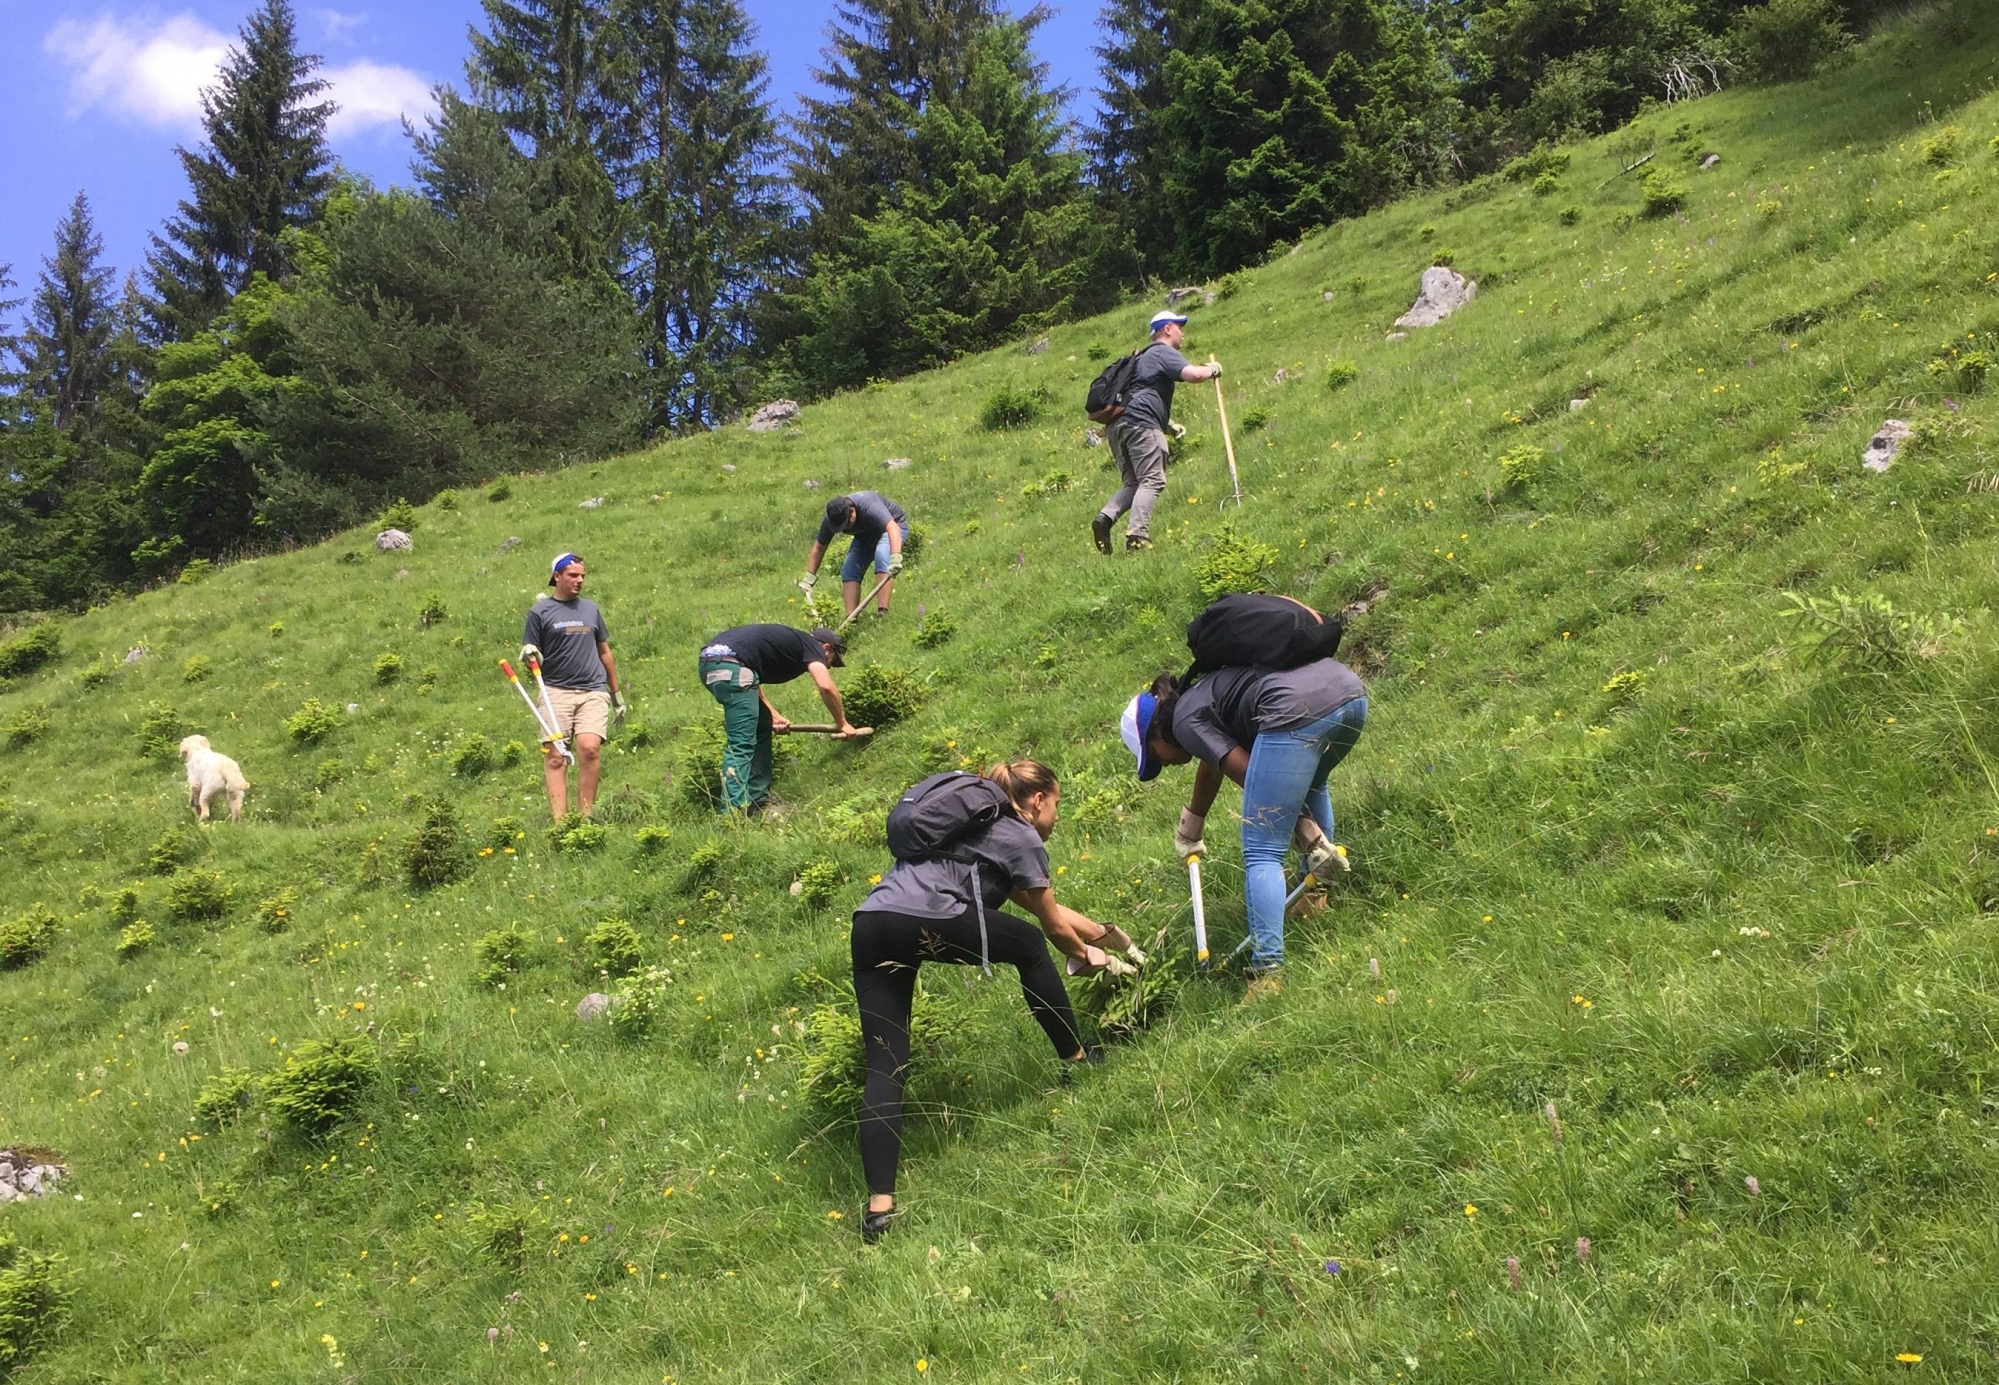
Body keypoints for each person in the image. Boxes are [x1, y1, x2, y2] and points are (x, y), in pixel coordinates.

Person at [849, 760, 1137, 1243]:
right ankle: (1078, 1060)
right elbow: (1050, 930)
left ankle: (880, 1207)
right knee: (1027, 946)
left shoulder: (971, 831)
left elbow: (1048, 909)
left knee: (886, 1063)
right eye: (1058, 804)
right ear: (1038, 800)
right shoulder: (1019, 837)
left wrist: (1109, 938)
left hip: (873, 922)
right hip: (926, 917)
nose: (1058, 817)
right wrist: (1094, 959)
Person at [1121, 654, 1366, 1001]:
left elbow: (1250, 776)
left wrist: (1300, 828)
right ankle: (1314, 898)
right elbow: (1213, 760)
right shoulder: (1201, 698)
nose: (1166, 763)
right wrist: (1191, 826)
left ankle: (1267, 973)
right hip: (1348, 693)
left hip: (1294, 712)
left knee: (1262, 846)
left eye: (1157, 756)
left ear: (1156, 729)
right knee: (1312, 785)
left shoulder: (1184, 721)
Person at [1092, 311, 1223, 554]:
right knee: (1152, 480)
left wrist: (1168, 424)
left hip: (1117, 426)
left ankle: (1105, 518)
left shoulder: (1140, 358)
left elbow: (1140, 394)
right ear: (1168, 328)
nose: (1183, 333)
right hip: (1141, 424)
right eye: (1180, 327)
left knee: (1133, 482)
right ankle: (1137, 536)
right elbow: (1193, 375)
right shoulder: (1162, 351)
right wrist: (1212, 369)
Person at [698, 623, 860, 814]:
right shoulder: (812, 646)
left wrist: (773, 714)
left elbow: (749, 672)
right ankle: (732, 813)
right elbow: (826, 686)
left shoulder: (793, 640)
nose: (829, 666)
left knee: (762, 724)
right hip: (733, 668)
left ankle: (757, 798)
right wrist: (843, 723)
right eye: (832, 661)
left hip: (709, 664)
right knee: (740, 744)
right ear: (826, 648)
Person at [521, 552, 626, 821]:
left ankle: (586, 818)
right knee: (555, 756)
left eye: (582, 576)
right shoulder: (540, 612)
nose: (579, 580)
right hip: (555, 690)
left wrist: (617, 695)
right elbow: (531, 655)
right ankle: (561, 823)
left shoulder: (590, 609)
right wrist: (530, 654)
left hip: (592, 689)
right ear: (557, 577)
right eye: (573, 575)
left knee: (589, 748)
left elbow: (604, 651)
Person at [801, 492, 908, 619]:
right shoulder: (831, 519)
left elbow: (893, 528)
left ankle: (882, 612)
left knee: (882, 554)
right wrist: (809, 578)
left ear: (852, 512)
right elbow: (819, 548)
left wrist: (895, 558)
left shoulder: (869, 506)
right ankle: (851, 618)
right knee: (849, 569)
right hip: (866, 535)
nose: (843, 529)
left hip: (895, 526)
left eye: (846, 524)